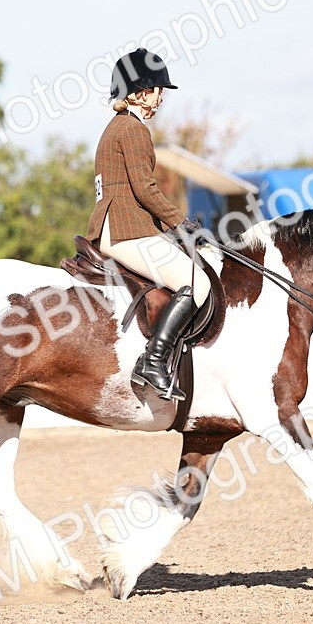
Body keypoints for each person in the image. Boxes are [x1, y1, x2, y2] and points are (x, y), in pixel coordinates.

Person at [84, 48, 211, 401]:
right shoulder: (133, 129)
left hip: (119, 225)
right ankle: (153, 362)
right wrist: (182, 223)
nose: (159, 99)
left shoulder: (116, 128)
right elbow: (145, 188)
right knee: (196, 283)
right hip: (126, 230)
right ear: (141, 92)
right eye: (157, 91)